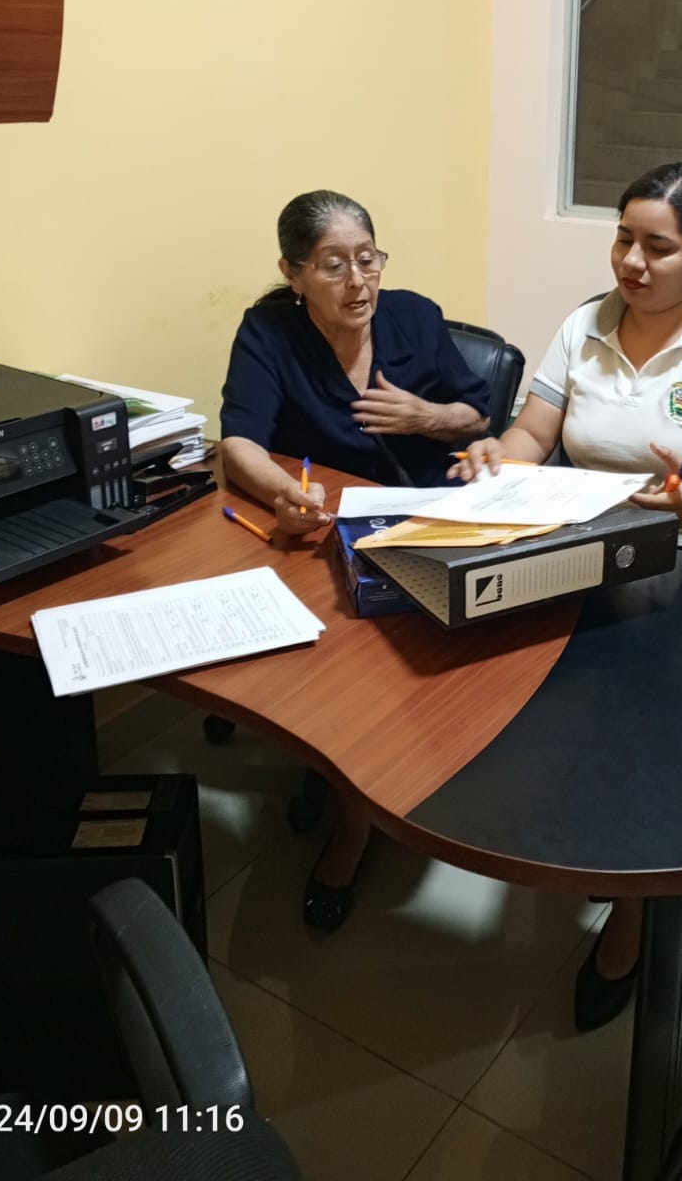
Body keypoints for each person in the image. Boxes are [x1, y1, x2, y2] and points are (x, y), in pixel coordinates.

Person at [455, 162, 682, 1032]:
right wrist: (497, 454)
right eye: (624, 239)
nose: (632, 262)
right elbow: (534, 433)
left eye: (658, 247)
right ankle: (630, 869)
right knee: (568, 713)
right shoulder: (584, 325)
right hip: (603, 550)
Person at [221, 189, 491, 928]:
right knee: (329, 665)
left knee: (386, 668)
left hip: (425, 527)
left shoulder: (415, 318)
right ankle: (353, 782)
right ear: (293, 273)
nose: (357, 282)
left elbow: (478, 413)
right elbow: (239, 440)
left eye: (367, 259)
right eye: (333, 265)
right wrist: (284, 493)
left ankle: (357, 816)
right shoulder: (270, 331)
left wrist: (428, 417)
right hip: (325, 532)